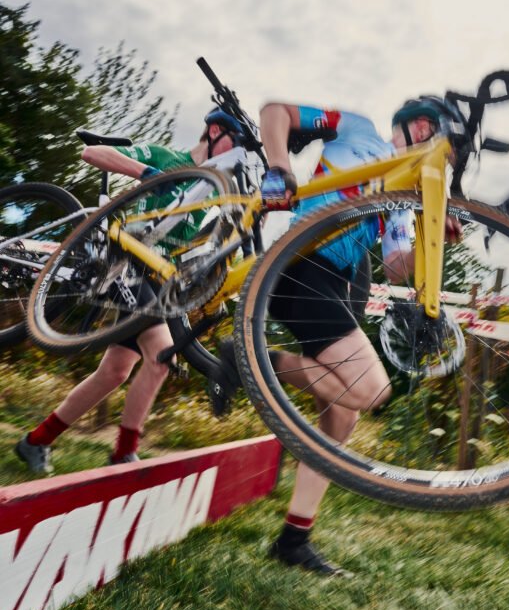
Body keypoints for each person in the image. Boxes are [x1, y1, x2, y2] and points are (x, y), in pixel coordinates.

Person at [210, 96, 462, 576]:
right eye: (442, 147)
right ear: (421, 127)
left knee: (342, 417)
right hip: (298, 258)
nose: (443, 162)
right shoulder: (359, 130)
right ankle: (248, 359)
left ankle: (294, 539)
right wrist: (280, 168)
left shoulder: (402, 200)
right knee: (370, 389)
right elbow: (275, 112)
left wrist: (435, 238)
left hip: (329, 282)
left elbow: (397, 266)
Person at [15, 108, 245, 475]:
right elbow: (91, 153)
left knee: (115, 371)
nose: (238, 153)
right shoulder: (167, 158)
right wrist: (147, 173)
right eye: (237, 142)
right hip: (123, 261)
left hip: (155, 277)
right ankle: (124, 452)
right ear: (215, 131)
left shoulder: (212, 187)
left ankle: (36, 441)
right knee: (160, 356)